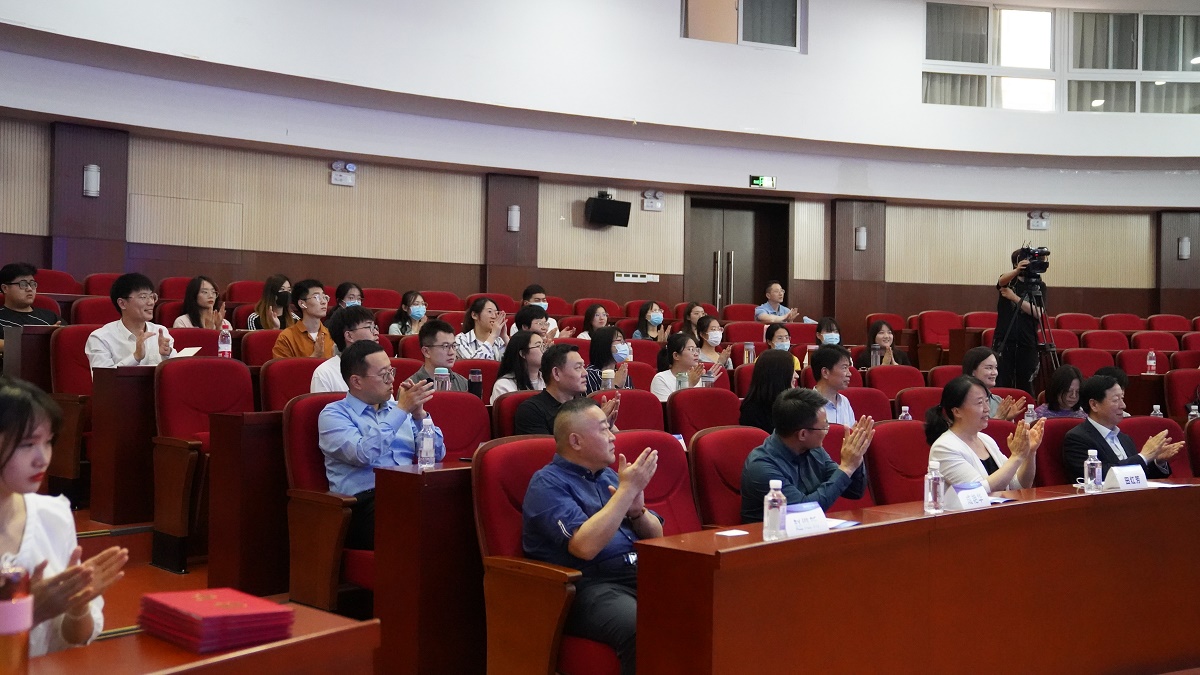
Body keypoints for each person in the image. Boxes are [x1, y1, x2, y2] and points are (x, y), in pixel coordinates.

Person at [522, 397, 662, 675]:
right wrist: (625, 493)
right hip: (588, 587)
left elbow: (657, 535)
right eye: (603, 429)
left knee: (707, 603)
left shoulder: (609, 477)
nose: (613, 437)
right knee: (643, 626)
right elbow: (584, 547)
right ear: (576, 441)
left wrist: (637, 512)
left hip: (637, 573)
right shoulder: (547, 484)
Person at [0, 377, 128, 656]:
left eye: (47, 442)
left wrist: (78, 607)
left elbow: (74, 638)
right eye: (27, 444)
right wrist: (29, 612)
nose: (42, 458)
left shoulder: (52, 516)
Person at [318, 341, 444, 549]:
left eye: (391, 371)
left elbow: (437, 454)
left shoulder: (400, 410)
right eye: (384, 375)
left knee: (454, 504)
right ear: (356, 381)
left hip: (408, 492)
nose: (392, 379)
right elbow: (363, 454)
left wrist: (419, 415)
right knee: (414, 513)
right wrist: (401, 411)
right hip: (363, 504)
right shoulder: (333, 414)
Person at [740, 388, 874, 521]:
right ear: (803, 434)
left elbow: (854, 491)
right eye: (824, 426)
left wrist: (857, 453)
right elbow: (804, 511)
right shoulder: (761, 466)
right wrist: (846, 468)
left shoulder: (814, 451)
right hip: (770, 533)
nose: (827, 431)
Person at [925, 375, 1042, 494]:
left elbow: (1019, 485)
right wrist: (1016, 457)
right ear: (957, 411)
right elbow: (978, 491)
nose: (987, 409)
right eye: (980, 403)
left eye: (987, 401)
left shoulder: (986, 440)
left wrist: (1030, 452)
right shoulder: (943, 448)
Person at [1062, 374, 1182, 484]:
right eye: (1116, 400)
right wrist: (1144, 457)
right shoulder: (1077, 438)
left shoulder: (1124, 438)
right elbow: (1102, 476)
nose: (1123, 406)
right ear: (1094, 405)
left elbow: (1139, 477)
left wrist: (1157, 461)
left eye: (1122, 398)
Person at [85, 273, 176, 372]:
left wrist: (167, 355)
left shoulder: (160, 332)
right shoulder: (101, 338)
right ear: (122, 303)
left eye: (152, 296)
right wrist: (135, 357)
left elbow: (175, 372)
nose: (151, 302)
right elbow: (103, 378)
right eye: (143, 297)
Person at [993, 248, 1046, 394]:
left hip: (1028, 340)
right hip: (1005, 340)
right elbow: (1000, 281)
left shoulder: (1039, 285)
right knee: (1002, 382)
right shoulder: (1009, 281)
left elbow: (1038, 312)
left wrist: (1014, 298)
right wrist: (1017, 271)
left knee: (1026, 384)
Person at [311, 306, 378, 394]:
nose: (376, 332)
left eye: (375, 327)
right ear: (349, 336)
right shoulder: (324, 373)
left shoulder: (379, 367)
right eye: (369, 327)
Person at [0, 263, 62, 354]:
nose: (29, 289)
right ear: (5, 288)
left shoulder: (50, 316)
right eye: (23, 284)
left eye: (32, 284)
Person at [272, 279, 335, 359]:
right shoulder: (286, 337)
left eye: (324, 297)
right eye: (317, 297)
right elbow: (282, 367)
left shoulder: (332, 336)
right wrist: (315, 356)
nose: (324, 302)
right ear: (302, 304)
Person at [738, 349, 798, 433]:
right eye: (792, 370)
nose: (797, 376)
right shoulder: (752, 412)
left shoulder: (794, 404)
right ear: (778, 375)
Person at [650, 333, 716, 403]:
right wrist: (689, 384)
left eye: (697, 350)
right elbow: (671, 408)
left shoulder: (698, 378)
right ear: (676, 355)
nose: (696, 354)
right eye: (691, 349)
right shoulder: (661, 378)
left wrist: (707, 385)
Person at [962, 346, 1023, 421]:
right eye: (989, 368)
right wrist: (997, 418)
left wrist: (1008, 420)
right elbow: (969, 427)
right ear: (973, 371)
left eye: (996, 368)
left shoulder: (998, 401)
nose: (995, 373)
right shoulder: (963, 400)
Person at [409, 319, 469, 392]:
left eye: (453, 346)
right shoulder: (411, 388)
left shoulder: (463, 384)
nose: (452, 352)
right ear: (426, 352)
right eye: (445, 346)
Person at [491, 330, 546, 404]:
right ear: (522, 353)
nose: (544, 350)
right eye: (539, 346)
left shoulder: (549, 380)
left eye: (544, 345)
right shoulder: (504, 385)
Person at [810, 344, 856, 426]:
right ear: (825, 372)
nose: (849, 374)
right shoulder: (808, 405)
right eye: (844, 368)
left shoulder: (844, 401)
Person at [585, 327, 633, 394]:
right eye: (619, 340)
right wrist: (616, 386)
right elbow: (594, 400)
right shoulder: (589, 375)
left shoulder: (622, 374)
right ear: (604, 344)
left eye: (624, 341)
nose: (624, 345)